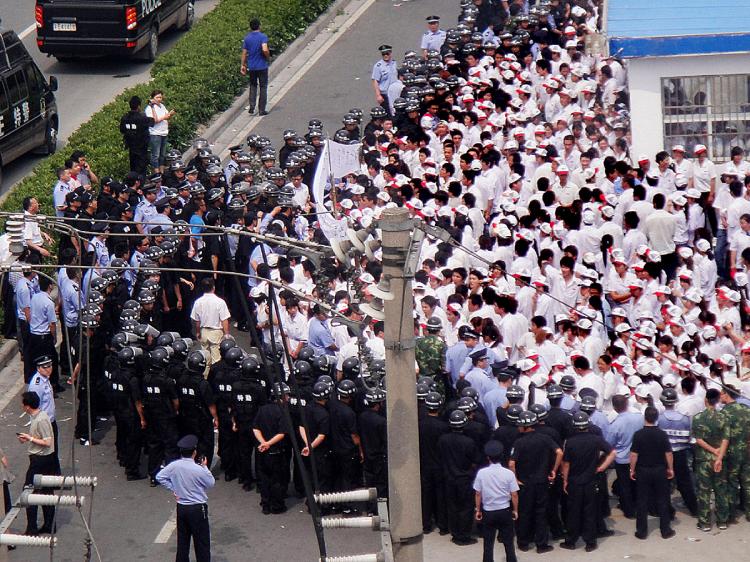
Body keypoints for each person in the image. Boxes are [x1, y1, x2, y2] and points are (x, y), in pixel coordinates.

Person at [560, 412, 616, 552]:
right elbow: (612, 453)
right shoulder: (596, 439)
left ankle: (571, 541)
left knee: (573, 512)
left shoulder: (570, 442)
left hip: (574, 482)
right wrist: (602, 467)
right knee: (590, 512)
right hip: (591, 480)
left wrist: (565, 480)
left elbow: (566, 464)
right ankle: (590, 542)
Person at [508, 410, 563, 554]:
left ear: (525, 426)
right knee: (541, 513)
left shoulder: (519, 442)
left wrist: (515, 479)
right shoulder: (545, 438)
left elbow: (512, 463)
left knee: (524, 512)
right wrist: (554, 470)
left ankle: (523, 542)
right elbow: (559, 452)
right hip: (542, 482)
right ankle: (541, 544)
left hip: (525, 484)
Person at [156, 434, 215, 562]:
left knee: (183, 542)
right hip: (198, 509)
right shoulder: (198, 469)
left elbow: (160, 477)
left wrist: (174, 489)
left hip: (182, 508)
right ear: (194, 452)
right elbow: (210, 483)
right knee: (202, 543)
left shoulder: (174, 465)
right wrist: (205, 467)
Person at [629, 406, 675, 540]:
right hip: (659, 469)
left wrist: (632, 469)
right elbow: (668, 453)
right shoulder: (662, 434)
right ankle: (665, 530)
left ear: (645, 417)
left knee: (642, 500)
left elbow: (633, 454)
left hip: (643, 470)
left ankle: (642, 531)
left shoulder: (638, 434)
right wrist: (670, 468)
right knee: (663, 499)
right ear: (656, 418)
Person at [18, 391, 58, 536]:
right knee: (46, 491)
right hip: (44, 459)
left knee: (29, 492)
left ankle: (32, 528)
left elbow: (47, 442)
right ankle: (49, 524)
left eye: (23, 404)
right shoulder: (37, 417)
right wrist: (29, 438)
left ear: (28, 406)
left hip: (40, 460)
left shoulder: (41, 419)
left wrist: (30, 439)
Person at [439, 410, 480, 546]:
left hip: (449, 477)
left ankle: (455, 533)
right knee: (466, 507)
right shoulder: (469, 442)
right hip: (464, 478)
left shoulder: (443, 439)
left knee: (452, 506)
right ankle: (464, 535)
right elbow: (475, 461)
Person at [474, 440, 519, 562]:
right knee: (508, 542)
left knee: (488, 543)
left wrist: (478, 510)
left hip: (488, 511)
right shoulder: (508, 474)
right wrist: (515, 510)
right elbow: (514, 494)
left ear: (488, 457)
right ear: (502, 456)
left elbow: (478, 493)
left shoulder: (481, 473)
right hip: (504, 510)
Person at [691, 388, 729, 531]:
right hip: (720, 459)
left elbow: (698, 439)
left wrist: (712, 451)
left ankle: (705, 522)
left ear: (706, 400)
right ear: (718, 400)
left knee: (704, 491)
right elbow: (726, 439)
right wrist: (718, 456)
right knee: (720, 490)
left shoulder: (698, 417)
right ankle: (722, 521)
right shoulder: (724, 417)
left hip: (703, 460)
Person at [191, 278, 231, 366]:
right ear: (213, 287)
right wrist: (226, 334)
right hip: (216, 332)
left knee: (204, 358)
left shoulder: (198, 302)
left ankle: (205, 376)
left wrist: (198, 332)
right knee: (216, 359)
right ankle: (214, 377)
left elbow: (197, 320)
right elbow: (224, 320)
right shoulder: (220, 302)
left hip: (204, 331)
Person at [241, 18, 271, 116]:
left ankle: (252, 106)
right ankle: (261, 109)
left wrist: (243, 65)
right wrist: (267, 56)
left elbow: (244, 53)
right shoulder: (263, 37)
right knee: (263, 87)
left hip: (252, 66)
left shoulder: (247, 38)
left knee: (253, 86)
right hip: (262, 66)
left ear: (250, 27)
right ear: (259, 26)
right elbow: (265, 49)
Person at [120, 96, 153, 175]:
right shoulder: (142, 118)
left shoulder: (125, 118)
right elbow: (152, 122)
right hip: (142, 148)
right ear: (139, 106)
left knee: (133, 168)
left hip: (131, 148)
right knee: (141, 170)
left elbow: (122, 130)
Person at [145, 90, 175, 173]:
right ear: (152, 98)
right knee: (156, 154)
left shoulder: (162, 106)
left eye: (160, 97)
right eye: (157, 97)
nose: (159, 99)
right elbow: (154, 120)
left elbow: (166, 116)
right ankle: (156, 172)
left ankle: (161, 172)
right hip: (155, 134)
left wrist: (170, 115)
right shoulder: (149, 108)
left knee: (162, 154)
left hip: (164, 132)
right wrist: (164, 117)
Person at [371, 44, 398, 112]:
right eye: (383, 54)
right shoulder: (378, 66)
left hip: (395, 92)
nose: (385, 55)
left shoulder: (394, 63)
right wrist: (378, 95)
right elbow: (375, 81)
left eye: (387, 53)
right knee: (388, 114)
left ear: (390, 53)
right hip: (385, 94)